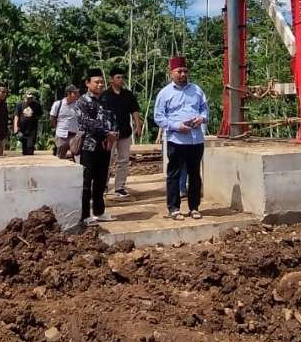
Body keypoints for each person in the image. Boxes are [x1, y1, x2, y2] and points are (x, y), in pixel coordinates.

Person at [153, 57, 208, 220]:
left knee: (195, 174)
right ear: (172, 74)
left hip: (195, 139)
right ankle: (174, 208)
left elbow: (204, 109)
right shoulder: (165, 93)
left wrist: (202, 119)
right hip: (176, 140)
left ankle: (194, 207)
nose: (183, 74)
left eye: (185, 71)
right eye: (179, 71)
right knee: (174, 174)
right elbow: (158, 117)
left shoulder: (197, 90)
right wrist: (177, 126)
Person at [77, 69, 118, 226]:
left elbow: (114, 118)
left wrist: (113, 133)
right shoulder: (82, 102)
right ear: (88, 83)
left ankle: (99, 211)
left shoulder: (106, 100)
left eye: (102, 82)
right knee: (87, 181)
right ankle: (85, 215)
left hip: (105, 146)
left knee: (101, 180)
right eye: (96, 82)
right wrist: (107, 133)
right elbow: (87, 122)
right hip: (89, 146)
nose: (100, 85)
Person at [100, 66, 143, 199]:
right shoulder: (104, 96)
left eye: (122, 77)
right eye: (118, 77)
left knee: (123, 160)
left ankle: (119, 187)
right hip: (110, 133)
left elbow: (134, 110)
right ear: (111, 79)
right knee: (107, 160)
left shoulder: (128, 95)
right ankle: (103, 185)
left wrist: (138, 125)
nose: (121, 80)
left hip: (125, 132)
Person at [50, 85, 80, 160]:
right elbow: (52, 117)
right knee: (60, 157)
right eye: (75, 93)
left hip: (74, 135)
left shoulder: (78, 105)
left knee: (77, 156)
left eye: (77, 93)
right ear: (68, 94)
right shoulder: (58, 104)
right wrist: (57, 128)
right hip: (61, 135)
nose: (77, 95)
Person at [13, 89, 42, 156]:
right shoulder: (20, 104)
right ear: (25, 97)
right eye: (28, 98)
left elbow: (39, 115)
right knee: (25, 148)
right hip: (22, 129)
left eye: (31, 98)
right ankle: (26, 163)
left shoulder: (37, 105)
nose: (30, 99)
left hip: (32, 129)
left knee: (30, 147)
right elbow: (16, 116)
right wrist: (15, 127)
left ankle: (30, 158)